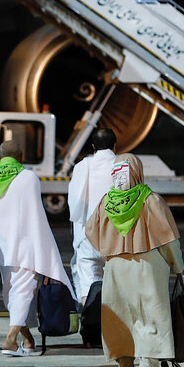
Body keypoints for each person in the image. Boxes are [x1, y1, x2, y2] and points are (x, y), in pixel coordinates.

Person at [0, 139, 72, 355]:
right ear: (21, 157)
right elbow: (37, 216)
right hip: (27, 248)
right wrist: (47, 251)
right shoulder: (29, 178)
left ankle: (27, 342)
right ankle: (12, 340)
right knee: (21, 295)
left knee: (15, 295)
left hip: (3, 252)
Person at [85, 153, 183, 367]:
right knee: (151, 320)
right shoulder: (150, 200)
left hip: (116, 268)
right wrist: (177, 266)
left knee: (121, 322)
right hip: (149, 267)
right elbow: (169, 239)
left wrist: (108, 248)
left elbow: (90, 231)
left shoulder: (106, 202)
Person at [67, 127, 117, 302]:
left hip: (88, 235)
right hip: (117, 237)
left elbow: (74, 203)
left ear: (93, 146)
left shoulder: (83, 166)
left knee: (88, 283)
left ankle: (90, 321)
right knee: (117, 285)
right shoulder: (122, 166)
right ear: (115, 146)